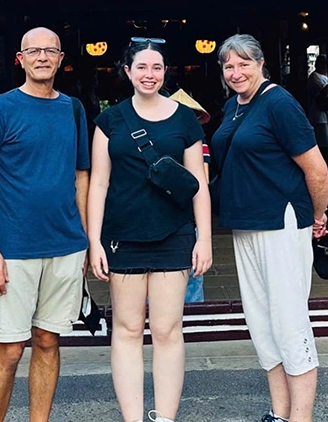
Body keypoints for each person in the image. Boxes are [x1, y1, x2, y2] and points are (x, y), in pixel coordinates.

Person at [0, 27, 90, 422]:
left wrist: (85, 239)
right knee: (8, 348)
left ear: (60, 58)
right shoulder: (0, 109)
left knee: (49, 341)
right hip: (13, 249)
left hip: (65, 245)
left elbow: (82, 176)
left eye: (49, 51)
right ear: (19, 59)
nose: (41, 57)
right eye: (33, 51)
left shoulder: (72, 109)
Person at [87, 40, 212, 422]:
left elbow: (199, 183)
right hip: (123, 236)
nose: (149, 74)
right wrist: (94, 241)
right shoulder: (110, 121)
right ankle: (133, 417)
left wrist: (204, 238)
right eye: (141, 67)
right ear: (127, 71)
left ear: (165, 72)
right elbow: (99, 185)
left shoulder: (185, 119)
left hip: (174, 234)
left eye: (156, 68)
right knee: (126, 330)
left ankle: (165, 417)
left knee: (167, 329)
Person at [210, 34, 328, 422]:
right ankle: (279, 412)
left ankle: (301, 416)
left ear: (262, 63)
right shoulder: (234, 106)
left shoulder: (278, 102)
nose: (236, 72)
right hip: (246, 224)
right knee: (261, 322)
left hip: (281, 221)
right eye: (229, 66)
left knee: (288, 318)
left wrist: (318, 215)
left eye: (244, 63)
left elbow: (316, 169)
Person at [170, 87, 212, 303]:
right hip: (181, 213)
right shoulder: (199, 144)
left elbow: (202, 182)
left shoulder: (199, 144)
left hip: (187, 214)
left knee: (193, 273)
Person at [306, 54, 328, 150]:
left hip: (327, 117)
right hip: (320, 117)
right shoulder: (315, 77)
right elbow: (323, 92)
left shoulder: (324, 76)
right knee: (324, 143)